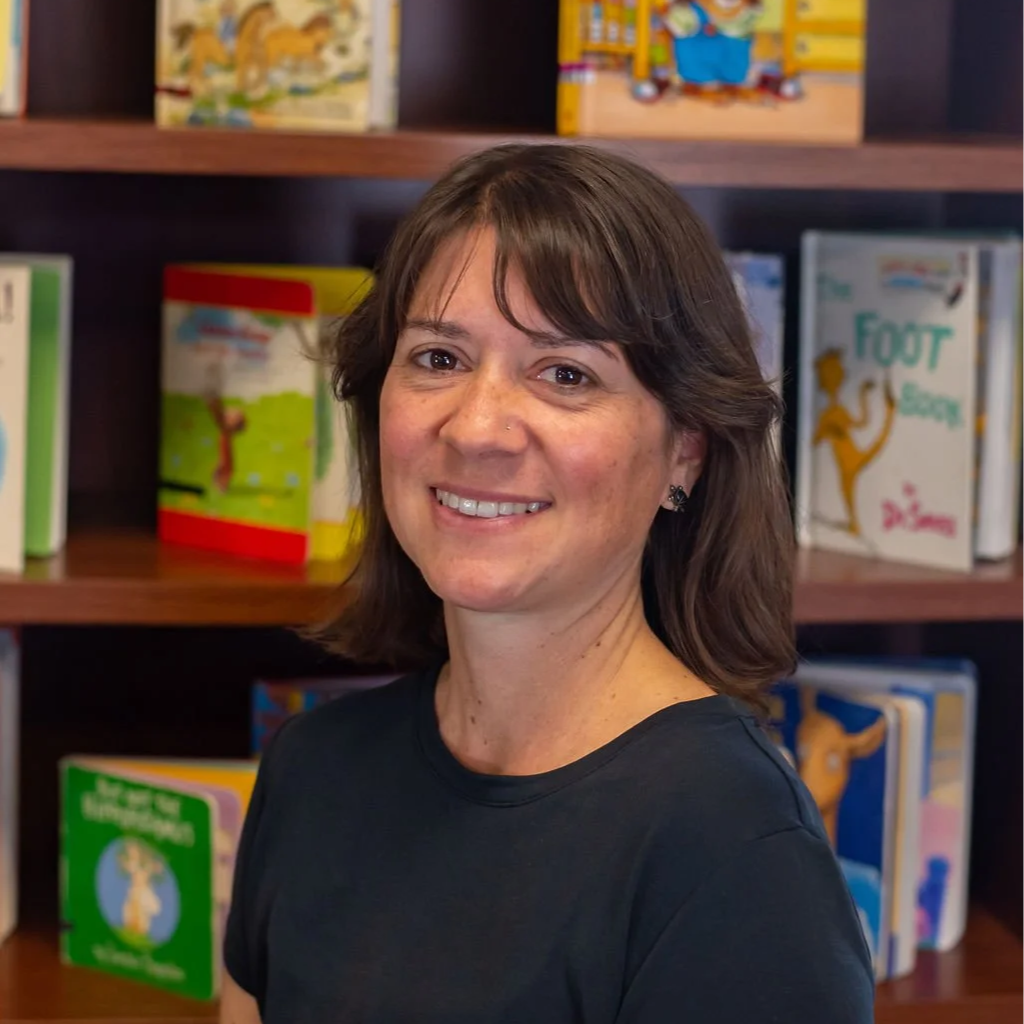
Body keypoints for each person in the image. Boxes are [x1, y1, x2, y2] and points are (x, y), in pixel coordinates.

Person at [220, 143, 875, 1023]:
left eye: (565, 373)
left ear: (686, 449)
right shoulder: (311, 772)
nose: (479, 427)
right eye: (439, 360)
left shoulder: (739, 853)